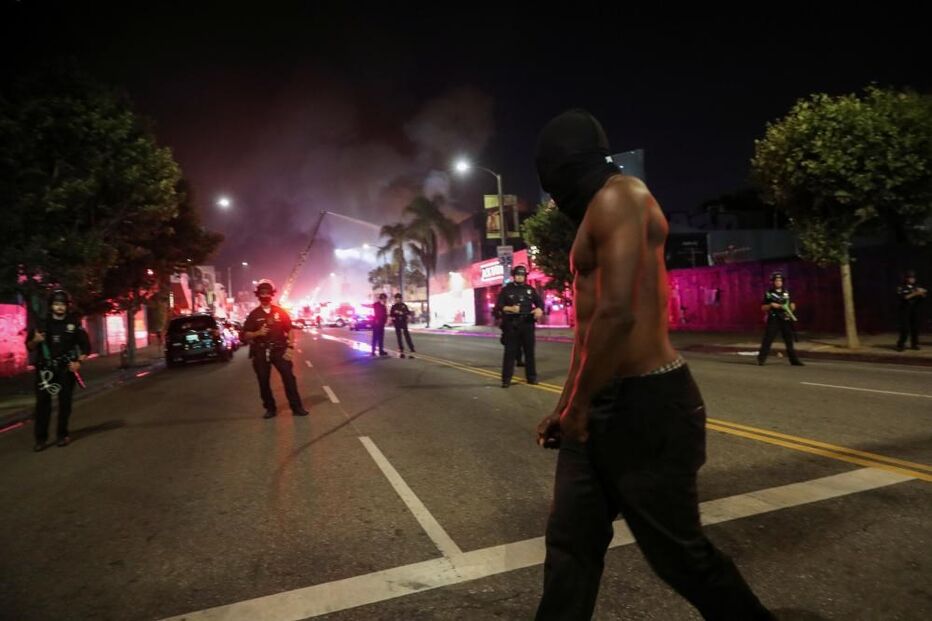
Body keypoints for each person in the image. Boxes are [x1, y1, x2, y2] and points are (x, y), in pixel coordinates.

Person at [533, 109, 773, 621]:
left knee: (679, 558)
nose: (555, 198)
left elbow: (617, 313)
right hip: (600, 402)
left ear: (570, 166)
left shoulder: (623, 196)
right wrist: (567, 404)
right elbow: (589, 330)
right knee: (571, 545)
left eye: (555, 183)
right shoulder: (596, 210)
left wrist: (579, 408)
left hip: (648, 404)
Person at [25, 289, 90, 451]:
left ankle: (62, 435)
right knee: (42, 405)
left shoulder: (73, 324)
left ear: (67, 306)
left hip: (65, 369)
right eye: (56, 304)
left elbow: (86, 346)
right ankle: (41, 439)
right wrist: (35, 340)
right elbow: (29, 346)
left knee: (65, 403)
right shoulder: (42, 324)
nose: (59, 307)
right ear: (51, 306)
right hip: (45, 371)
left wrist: (79, 362)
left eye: (62, 304)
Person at [241, 279, 308, 418]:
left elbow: (289, 330)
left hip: (280, 350)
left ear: (272, 295)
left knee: (289, 378)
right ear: (258, 295)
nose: (265, 296)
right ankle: (270, 408)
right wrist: (257, 333)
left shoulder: (280, 312)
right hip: (261, 351)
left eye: (267, 293)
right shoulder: (254, 314)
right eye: (262, 293)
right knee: (263, 381)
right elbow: (245, 334)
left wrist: (290, 346)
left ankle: (297, 407)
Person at [495, 265, 544, 387]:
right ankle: (506, 379)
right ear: (514, 276)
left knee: (529, 353)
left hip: (527, 324)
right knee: (510, 353)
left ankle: (531, 377)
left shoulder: (530, 290)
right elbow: (498, 306)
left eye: (522, 275)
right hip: (512, 325)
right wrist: (510, 308)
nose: (520, 277)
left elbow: (540, 303)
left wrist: (539, 309)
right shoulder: (506, 290)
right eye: (517, 275)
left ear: (525, 276)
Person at [757, 272, 804, 366]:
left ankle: (794, 360)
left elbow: (792, 304)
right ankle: (761, 359)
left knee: (789, 340)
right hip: (774, 318)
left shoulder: (787, 292)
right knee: (768, 339)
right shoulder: (769, 293)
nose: (778, 282)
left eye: (780, 281)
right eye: (776, 281)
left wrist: (790, 308)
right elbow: (763, 307)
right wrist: (771, 305)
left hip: (785, 318)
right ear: (773, 282)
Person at [896, 269, 926, 351]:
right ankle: (901, 344)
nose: (912, 279)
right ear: (906, 278)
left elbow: (922, 297)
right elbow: (904, 297)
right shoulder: (901, 287)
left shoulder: (916, 287)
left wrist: (922, 293)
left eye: (913, 278)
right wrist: (915, 293)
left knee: (915, 327)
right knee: (905, 328)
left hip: (914, 310)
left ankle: (914, 344)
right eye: (910, 278)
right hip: (905, 309)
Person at [390, 293, 416, 358]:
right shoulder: (394, 306)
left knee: (407, 335)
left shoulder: (404, 305)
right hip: (397, 322)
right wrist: (393, 318)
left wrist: (402, 313)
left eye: (399, 299)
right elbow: (391, 314)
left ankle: (411, 348)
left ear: (401, 299)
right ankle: (401, 348)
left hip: (403, 322)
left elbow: (408, 312)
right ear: (395, 299)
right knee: (399, 336)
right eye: (396, 299)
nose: (398, 300)